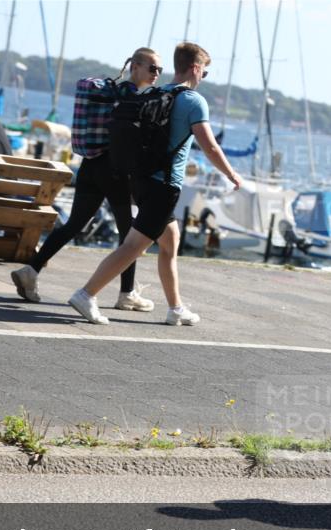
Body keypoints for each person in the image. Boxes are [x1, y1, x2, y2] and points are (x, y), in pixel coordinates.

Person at [67, 42, 242, 326]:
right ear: (196, 69)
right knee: (133, 246)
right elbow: (209, 147)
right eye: (204, 73)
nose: (202, 78)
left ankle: (176, 309)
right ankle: (86, 294)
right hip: (165, 186)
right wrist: (232, 174)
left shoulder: (153, 92)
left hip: (141, 180)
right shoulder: (193, 101)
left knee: (170, 242)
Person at [10, 47, 162, 311]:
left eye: (159, 69)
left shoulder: (109, 92)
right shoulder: (130, 96)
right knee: (131, 236)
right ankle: (126, 294)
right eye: (152, 68)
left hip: (90, 165)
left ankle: (31, 271)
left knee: (74, 225)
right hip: (113, 170)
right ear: (135, 67)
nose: (157, 74)